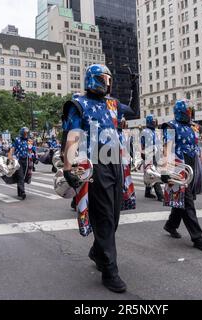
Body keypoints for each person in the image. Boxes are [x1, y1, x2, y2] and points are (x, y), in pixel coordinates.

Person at [61, 64, 139, 293]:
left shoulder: (113, 104)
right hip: (95, 165)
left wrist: (135, 84)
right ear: (94, 79)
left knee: (113, 217)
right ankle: (109, 272)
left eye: (110, 79)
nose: (108, 83)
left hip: (116, 163)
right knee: (104, 218)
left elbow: (134, 111)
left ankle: (97, 251)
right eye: (105, 78)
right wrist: (68, 165)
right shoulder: (79, 103)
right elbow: (73, 135)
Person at [161, 100, 202, 251]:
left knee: (183, 200)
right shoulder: (171, 126)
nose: (191, 112)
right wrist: (165, 170)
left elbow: (196, 147)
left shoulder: (194, 127)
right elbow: (167, 148)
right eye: (189, 110)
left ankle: (170, 225)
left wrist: (201, 167)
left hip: (193, 167)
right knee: (188, 202)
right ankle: (198, 238)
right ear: (182, 111)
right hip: (178, 168)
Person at [8, 127, 36, 200]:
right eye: (25, 133)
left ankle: (19, 192)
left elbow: (33, 150)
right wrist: (10, 157)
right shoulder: (17, 140)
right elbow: (12, 149)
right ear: (22, 133)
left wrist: (35, 158)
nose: (26, 134)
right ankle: (23, 192)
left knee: (24, 176)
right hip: (18, 160)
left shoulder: (29, 141)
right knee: (20, 175)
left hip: (27, 160)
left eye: (27, 133)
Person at [141, 114, 164, 202]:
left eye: (156, 121)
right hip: (150, 154)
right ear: (150, 122)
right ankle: (160, 195)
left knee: (150, 173)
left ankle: (147, 192)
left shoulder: (154, 131)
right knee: (154, 174)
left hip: (155, 154)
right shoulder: (146, 131)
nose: (155, 123)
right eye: (154, 121)